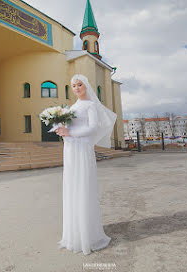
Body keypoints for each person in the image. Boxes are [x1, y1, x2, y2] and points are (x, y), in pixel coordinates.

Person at [55, 74, 116, 255]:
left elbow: (93, 127)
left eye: (79, 85)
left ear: (86, 86)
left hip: (81, 150)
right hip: (71, 150)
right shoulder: (73, 106)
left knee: (83, 187)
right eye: (74, 86)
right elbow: (72, 126)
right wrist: (61, 128)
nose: (76, 88)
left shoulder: (90, 105)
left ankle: (88, 234)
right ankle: (74, 232)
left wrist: (70, 133)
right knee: (72, 187)